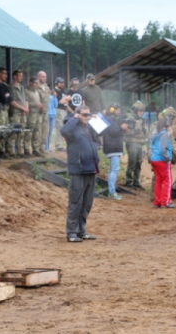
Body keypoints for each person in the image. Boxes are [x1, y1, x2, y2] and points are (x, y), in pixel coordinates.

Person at [60, 105, 99, 243]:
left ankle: (81, 231)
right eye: (84, 114)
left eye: (88, 114)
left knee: (87, 203)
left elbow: (100, 134)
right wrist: (75, 119)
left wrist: (95, 120)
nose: (86, 117)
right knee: (76, 202)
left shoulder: (88, 127)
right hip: (78, 169)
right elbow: (64, 131)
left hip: (91, 169)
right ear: (77, 114)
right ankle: (71, 232)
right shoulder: (72, 125)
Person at [101, 103, 128, 200]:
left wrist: (122, 129)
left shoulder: (110, 119)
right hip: (113, 148)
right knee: (114, 170)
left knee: (113, 169)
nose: (119, 111)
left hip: (113, 147)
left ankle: (112, 190)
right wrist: (121, 128)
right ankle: (111, 192)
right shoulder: (109, 119)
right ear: (112, 110)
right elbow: (112, 132)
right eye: (117, 110)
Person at [149, 116, 175, 208]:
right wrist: (167, 158)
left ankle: (157, 202)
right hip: (162, 160)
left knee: (158, 181)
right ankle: (165, 202)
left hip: (154, 159)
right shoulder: (164, 134)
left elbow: (150, 147)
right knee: (167, 181)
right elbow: (163, 149)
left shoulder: (155, 133)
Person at [124, 101, 147, 189]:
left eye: (142, 111)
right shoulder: (130, 119)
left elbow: (144, 132)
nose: (142, 113)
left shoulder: (142, 120)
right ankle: (129, 181)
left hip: (140, 143)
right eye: (140, 111)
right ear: (135, 110)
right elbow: (126, 132)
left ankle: (136, 181)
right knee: (132, 163)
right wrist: (135, 131)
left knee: (139, 163)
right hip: (132, 142)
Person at [7, 70, 29, 158]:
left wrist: (26, 108)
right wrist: (22, 108)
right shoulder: (11, 87)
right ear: (14, 76)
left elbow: (26, 99)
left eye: (22, 75)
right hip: (16, 112)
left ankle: (20, 151)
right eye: (19, 75)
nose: (21, 77)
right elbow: (11, 101)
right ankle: (11, 151)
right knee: (14, 132)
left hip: (23, 112)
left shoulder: (22, 87)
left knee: (22, 132)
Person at [25, 76, 43, 157]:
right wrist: (36, 105)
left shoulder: (37, 92)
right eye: (35, 83)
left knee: (37, 131)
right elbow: (25, 102)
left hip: (37, 114)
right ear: (30, 83)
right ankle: (27, 149)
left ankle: (35, 149)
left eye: (37, 83)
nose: (37, 85)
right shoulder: (26, 91)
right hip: (31, 114)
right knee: (29, 131)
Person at [53, 77, 70, 152]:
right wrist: (66, 99)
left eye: (63, 82)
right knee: (59, 127)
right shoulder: (55, 91)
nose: (62, 84)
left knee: (63, 127)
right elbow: (60, 102)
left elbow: (68, 100)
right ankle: (58, 145)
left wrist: (65, 100)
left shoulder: (63, 91)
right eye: (60, 82)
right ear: (57, 83)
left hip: (64, 110)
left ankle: (61, 145)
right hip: (59, 110)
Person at [36, 71, 50, 152]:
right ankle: (36, 147)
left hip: (45, 111)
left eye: (45, 76)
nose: (45, 78)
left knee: (45, 130)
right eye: (43, 76)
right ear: (38, 77)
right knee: (38, 129)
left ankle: (42, 146)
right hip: (38, 111)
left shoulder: (46, 87)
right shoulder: (36, 86)